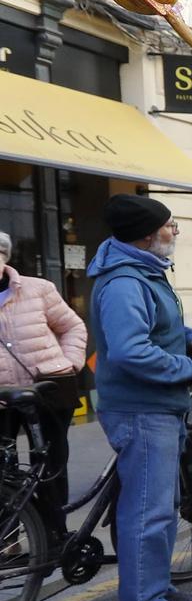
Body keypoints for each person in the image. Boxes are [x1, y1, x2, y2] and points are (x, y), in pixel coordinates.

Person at [86, 196, 192, 601]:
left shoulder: (143, 270)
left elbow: (162, 325)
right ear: (147, 234)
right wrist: (186, 367)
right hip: (141, 407)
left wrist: (190, 339)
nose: (174, 232)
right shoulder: (125, 281)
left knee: (160, 503)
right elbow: (129, 350)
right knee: (147, 508)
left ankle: (156, 587)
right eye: (169, 226)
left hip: (157, 405)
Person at [0, 229, 86, 542]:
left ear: (4, 257)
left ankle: (55, 535)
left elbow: (72, 327)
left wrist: (69, 363)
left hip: (48, 390)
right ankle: (8, 542)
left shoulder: (38, 289)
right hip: (3, 396)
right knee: (4, 470)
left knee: (49, 465)